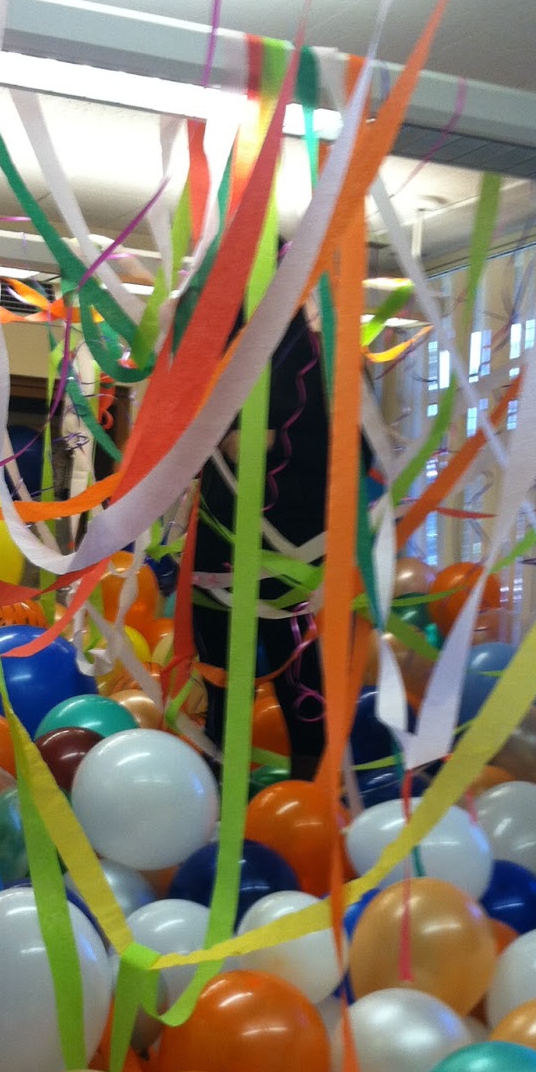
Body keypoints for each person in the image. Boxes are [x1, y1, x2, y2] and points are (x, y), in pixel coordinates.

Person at [192, 302, 334, 781]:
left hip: (290, 553)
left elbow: (351, 449)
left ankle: (312, 788)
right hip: (219, 551)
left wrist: (275, 442)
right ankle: (215, 785)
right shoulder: (215, 355)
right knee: (220, 677)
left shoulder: (317, 361)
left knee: (300, 677)